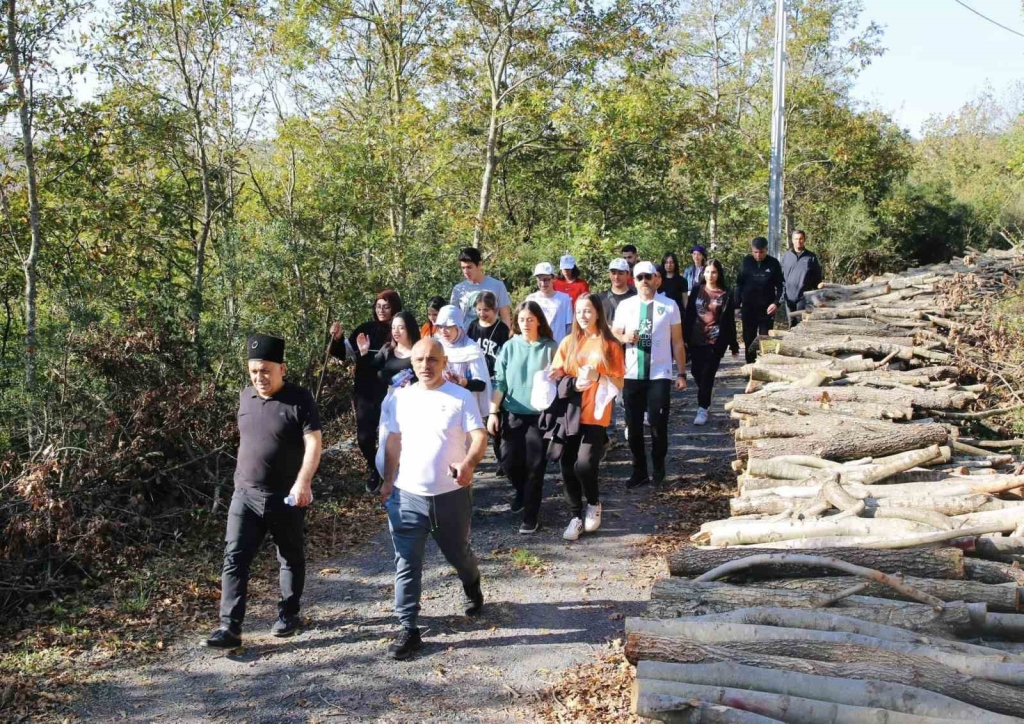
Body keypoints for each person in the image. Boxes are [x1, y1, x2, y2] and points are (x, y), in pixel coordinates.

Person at [203, 334, 322, 649]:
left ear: (282, 368)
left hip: (285, 495)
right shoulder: (245, 397)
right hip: (245, 494)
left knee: (290, 556)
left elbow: (313, 442)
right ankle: (229, 628)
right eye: (254, 371)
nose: (260, 378)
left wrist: (303, 481)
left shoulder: (300, 400)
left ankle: (288, 613)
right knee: (234, 557)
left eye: (266, 370)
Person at [381, 338, 488, 660]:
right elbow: (394, 441)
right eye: (419, 359)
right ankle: (408, 627)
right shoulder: (400, 399)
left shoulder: (460, 397)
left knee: (459, 554)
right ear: (411, 364)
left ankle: (472, 583)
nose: (425, 365)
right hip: (408, 495)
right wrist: (388, 481)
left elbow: (479, 436)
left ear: (444, 363)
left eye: (432, 359)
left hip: (451, 496)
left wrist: (468, 464)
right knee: (406, 562)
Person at [550, 293, 625, 541]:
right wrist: (559, 379)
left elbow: (619, 381)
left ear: (597, 313)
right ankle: (574, 516)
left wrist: (598, 377)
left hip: (596, 412)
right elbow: (556, 372)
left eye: (588, 311)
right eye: (579, 311)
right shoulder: (568, 342)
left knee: (584, 464)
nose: (583, 316)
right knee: (566, 463)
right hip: (569, 413)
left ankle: (593, 503)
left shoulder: (609, 344)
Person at [612, 261, 686, 488]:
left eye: (648, 276)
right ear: (633, 281)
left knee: (657, 422)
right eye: (639, 277)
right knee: (633, 427)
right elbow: (615, 332)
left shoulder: (669, 305)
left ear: (657, 279)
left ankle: (659, 465)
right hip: (632, 373)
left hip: (659, 374)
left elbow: (677, 341)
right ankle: (639, 470)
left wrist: (681, 373)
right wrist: (625, 338)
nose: (644, 281)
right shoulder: (626, 305)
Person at [487, 301, 558, 533]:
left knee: (535, 467)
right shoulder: (509, 347)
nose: (525, 323)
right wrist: (493, 412)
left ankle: (530, 516)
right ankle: (522, 492)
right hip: (513, 413)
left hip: (540, 416)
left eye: (530, 319)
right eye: (521, 320)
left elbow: (560, 379)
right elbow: (500, 382)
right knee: (508, 463)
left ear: (539, 320)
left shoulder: (550, 347)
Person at [330, 290, 402, 493]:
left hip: (390, 390)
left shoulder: (398, 330)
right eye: (378, 306)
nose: (381, 310)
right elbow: (345, 353)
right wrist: (337, 338)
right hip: (365, 391)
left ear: (394, 308)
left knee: (391, 436)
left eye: (386, 306)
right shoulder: (365, 329)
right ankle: (375, 469)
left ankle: (392, 473)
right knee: (364, 438)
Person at [682, 260, 739, 426]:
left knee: (707, 374)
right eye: (707, 272)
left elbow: (729, 321)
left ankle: (702, 408)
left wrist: (733, 344)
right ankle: (706, 392)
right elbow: (689, 315)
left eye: (713, 272)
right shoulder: (697, 291)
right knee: (695, 371)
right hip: (696, 339)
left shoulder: (725, 294)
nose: (710, 275)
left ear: (719, 274)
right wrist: (684, 338)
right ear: (703, 273)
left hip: (715, 341)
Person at [372, 312, 422, 477]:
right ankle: (388, 480)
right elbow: (372, 370)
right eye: (393, 327)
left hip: (414, 403)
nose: (396, 331)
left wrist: (413, 384)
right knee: (386, 442)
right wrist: (364, 353)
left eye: (401, 327)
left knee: (409, 444)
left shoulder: (419, 350)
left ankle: (409, 479)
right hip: (390, 400)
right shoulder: (387, 349)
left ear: (410, 329)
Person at [467, 291, 511, 473]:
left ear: (494, 310)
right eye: (478, 309)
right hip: (477, 379)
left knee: (496, 420)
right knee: (476, 419)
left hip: (494, 379)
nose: (482, 313)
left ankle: (501, 459)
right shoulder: (472, 327)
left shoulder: (502, 330)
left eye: (486, 310)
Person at [435, 305, 492, 421]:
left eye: (449, 327)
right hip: (440, 406)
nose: (444, 331)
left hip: (465, 408)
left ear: (458, 326)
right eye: (440, 327)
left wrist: (463, 382)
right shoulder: (436, 346)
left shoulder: (471, 348)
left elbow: (481, 385)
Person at [735, 237, 785, 364]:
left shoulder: (773, 263)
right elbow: (738, 285)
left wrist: (776, 303)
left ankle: (767, 364)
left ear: (766, 250)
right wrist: (736, 305)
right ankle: (750, 366)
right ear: (752, 250)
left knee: (766, 339)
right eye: (755, 252)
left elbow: (781, 286)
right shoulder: (746, 262)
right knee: (749, 339)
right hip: (748, 308)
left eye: (761, 252)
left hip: (767, 309)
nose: (758, 255)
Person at [450, 247, 512, 327]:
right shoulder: (458, 289)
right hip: (465, 337)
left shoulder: (497, 286)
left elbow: (505, 317)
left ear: (479, 265)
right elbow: (452, 318)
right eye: (463, 268)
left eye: (469, 267)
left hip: (490, 337)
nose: (466, 271)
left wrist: (504, 337)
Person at [781, 229, 822, 328]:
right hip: (788, 297)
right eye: (796, 239)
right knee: (791, 322)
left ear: (804, 240)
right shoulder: (786, 256)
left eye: (801, 239)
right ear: (792, 240)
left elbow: (817, 277)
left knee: (801, 322)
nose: (798, 241)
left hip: (803, 296)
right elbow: (780, 276)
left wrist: (817, 295)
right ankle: (791, 343)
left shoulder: (811, 257)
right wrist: (781, 294)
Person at [527, 262, 573, 343]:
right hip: (537, 346)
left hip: (558, 347)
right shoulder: (531, 299)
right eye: (539, 279)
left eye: (546, 280)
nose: (543, 283)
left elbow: (569, 326)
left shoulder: (564, 299)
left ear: (553, 279)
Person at [598, 258, 637, 324]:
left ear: (628, 274)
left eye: (620, 273)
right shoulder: (600, 298)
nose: (616, 277)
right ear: (609, 274)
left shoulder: (636, 297)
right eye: (613, 273)